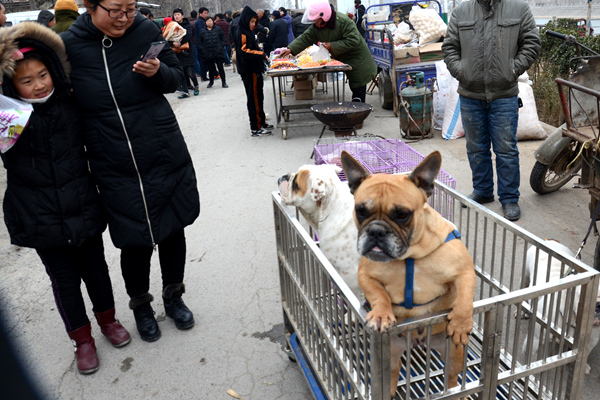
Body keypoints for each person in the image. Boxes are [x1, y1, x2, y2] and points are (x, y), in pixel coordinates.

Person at [61, 0, 200, 342]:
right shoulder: (69, 45)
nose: (125, 18)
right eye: (116, 10)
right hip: (111, 158)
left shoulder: (145, 30)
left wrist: (159, 74)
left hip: (161, 148)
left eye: (131, 8)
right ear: (90, 6)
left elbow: (176, 77)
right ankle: (140, 304)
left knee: (171, 229)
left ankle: (174, 296)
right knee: (133, 240)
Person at [0, 22, 131, 374]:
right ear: (11, 85)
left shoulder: (71, 102)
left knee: (97, 270)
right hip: (38, 214)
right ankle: (83, 340)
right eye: (27, 81)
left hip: (82, 203)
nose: (39, 84)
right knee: (65, 282)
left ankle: (109, 321)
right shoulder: (6, 118)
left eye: (43, 74)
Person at [442, 0, 541, 221]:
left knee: (506, 150)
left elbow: (532, 44)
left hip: (504, 94)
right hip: (470, 94)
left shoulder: (519, 9)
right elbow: (449, 47)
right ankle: (483, 191)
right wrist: (462, 71)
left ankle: (509, 198)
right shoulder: (461, 12)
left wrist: (512, 69)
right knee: (476, 148)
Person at [278, 0, 377, 103]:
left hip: (357, 58)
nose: (314, 23)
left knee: (358, 86)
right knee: (355, 87)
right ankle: (354, 110)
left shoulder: (343, 22)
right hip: (343, 57)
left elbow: (353, 40)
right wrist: (290, 49)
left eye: (316, 20)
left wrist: (331, 46)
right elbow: (306, 37)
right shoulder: (318, 26)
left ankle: (358, 114)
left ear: (324, 16)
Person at [235, 6, 274, 137]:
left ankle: (261, 122)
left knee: (259, 96)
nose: (253, 24)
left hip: (255, 69)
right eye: (251, 22)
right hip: (249, 70)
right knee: (254, 99)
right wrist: (261, 54)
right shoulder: (242, 33)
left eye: (255, 22)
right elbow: (244, 51)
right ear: (246, 20)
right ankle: (255, 127)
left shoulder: (249, 32)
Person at [172, 8, 199, 97]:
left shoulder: (187, 25)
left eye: (178, 14)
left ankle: (196, 85)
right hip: (177, 52)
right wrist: (173, 43)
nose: (176, 16)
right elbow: (168, 37)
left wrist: (180, 42)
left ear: (182, 16)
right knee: (181, 72)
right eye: (175, 15)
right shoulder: (172, 26)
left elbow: (188, 36)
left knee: (190, 72)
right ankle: (185, 91)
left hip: (187, 51)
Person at [198, 16, 228, 88]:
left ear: (213, 21)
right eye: (208, 21)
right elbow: (199, 43)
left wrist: (220, 46)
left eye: (210, 21)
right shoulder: (202, 31)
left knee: (220, 67)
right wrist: (203, 50)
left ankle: (224, 82)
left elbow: (223, 38)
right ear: (205, 22)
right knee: (211, 69)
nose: (209, 22)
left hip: (218, 51)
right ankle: (211, 82)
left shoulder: (218, 29)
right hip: (208, 52)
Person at [195, 6, 209, 81]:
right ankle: (203, 76)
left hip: (202, 44)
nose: (206, 15)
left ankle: (205, 75)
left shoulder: (202, 21)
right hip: (201, 45)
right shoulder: (200, 22)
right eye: (205, 13)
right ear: (200, 13)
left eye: (207, 13)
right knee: (203, 61)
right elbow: (202, 33)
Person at [189, 10, 202, 75]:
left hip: (193, 43)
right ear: (197, 15)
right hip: (200, 42)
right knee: (200, 58)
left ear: (190, 16)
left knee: (195, 58)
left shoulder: (190, 24)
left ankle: (199, 72)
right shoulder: (200, 22)